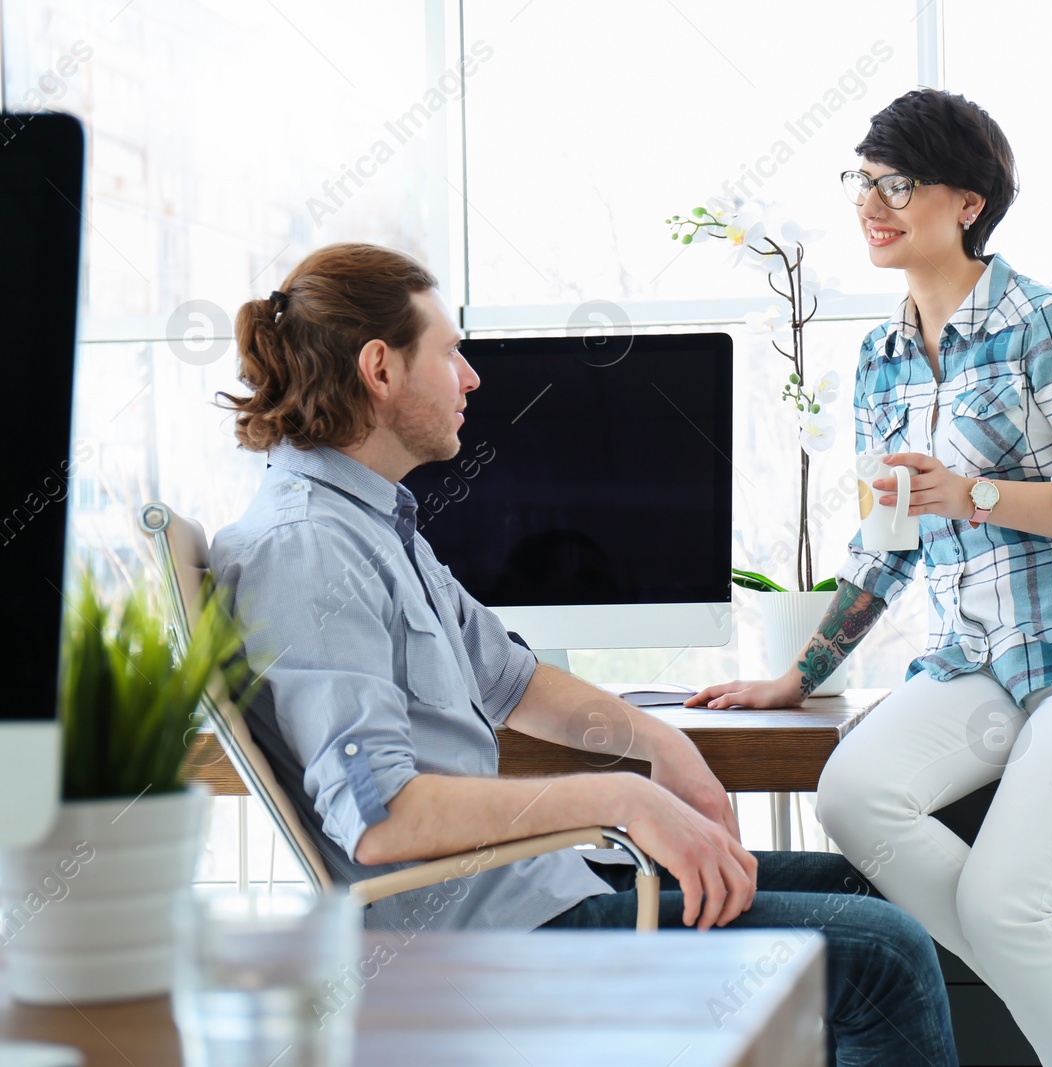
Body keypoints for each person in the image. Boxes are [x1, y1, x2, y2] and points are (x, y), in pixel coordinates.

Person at [209, 242, 959, 1067]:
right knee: (882, 957)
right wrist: (623, 801)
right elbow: (382, 820)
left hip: (523, 890)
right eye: (450, 351)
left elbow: (516, 679)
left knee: (859, 888)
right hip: (472, 946)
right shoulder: (308, 549)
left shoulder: (375, 526)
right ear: (379, 368)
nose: (471, 378)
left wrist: (662, 745)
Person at [689, 90, 1052, 1067]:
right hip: (977, 667)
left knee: (1006, 903)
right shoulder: (880, 357)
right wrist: (805, 672)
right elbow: (889, 539)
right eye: (862, 182)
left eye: (898, 183)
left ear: (967, 202)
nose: (873, 203)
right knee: (852, 793)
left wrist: (975, 494)